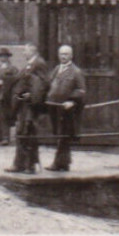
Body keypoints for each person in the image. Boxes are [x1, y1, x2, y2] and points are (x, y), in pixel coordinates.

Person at [5, 46, 50, 174]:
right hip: (23, 104)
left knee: (29, 132)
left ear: (32, 51)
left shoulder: (39, 63)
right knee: (21, 132)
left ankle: (29, 165)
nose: (23, 52)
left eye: (25, 50)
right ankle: (19, 164)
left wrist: (32, 95)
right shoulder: (29, 64)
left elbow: (44, 83)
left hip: (31, 105)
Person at [44, 43, 86, 172]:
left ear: (71, 56)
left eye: (66, 54)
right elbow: (49, 83)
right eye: (61, 54)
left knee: (64, 135)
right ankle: (65, 163)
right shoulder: (56, 69)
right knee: (59, 135)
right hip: (54, 107)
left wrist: (72, 101)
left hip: (66, 109)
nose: (63, 56)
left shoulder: (76, 71)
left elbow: (81, 90)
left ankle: (58, 163)